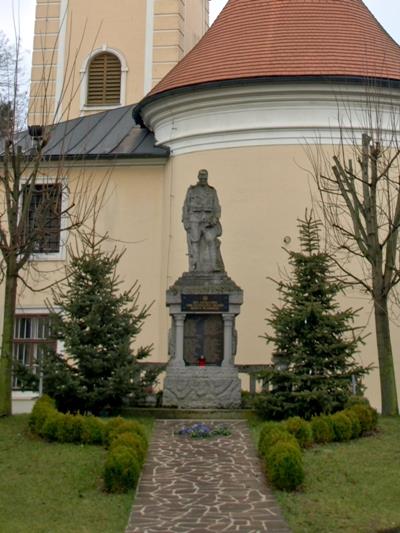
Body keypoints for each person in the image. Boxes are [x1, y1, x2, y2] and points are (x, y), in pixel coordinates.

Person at [182, 169, 224, 272]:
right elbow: (185, 207)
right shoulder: (192, 190)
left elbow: (217, 207)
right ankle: (194, 266)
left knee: (211, 240)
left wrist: (215, 218)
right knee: (195, 241)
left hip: (208, 219)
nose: (203, 179)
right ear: (198, 177)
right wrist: (186, 221)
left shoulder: (212, 191)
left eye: (205, 178)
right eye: (201, 178)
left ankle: (214, 265)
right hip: (194, 219)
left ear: (207, 178)